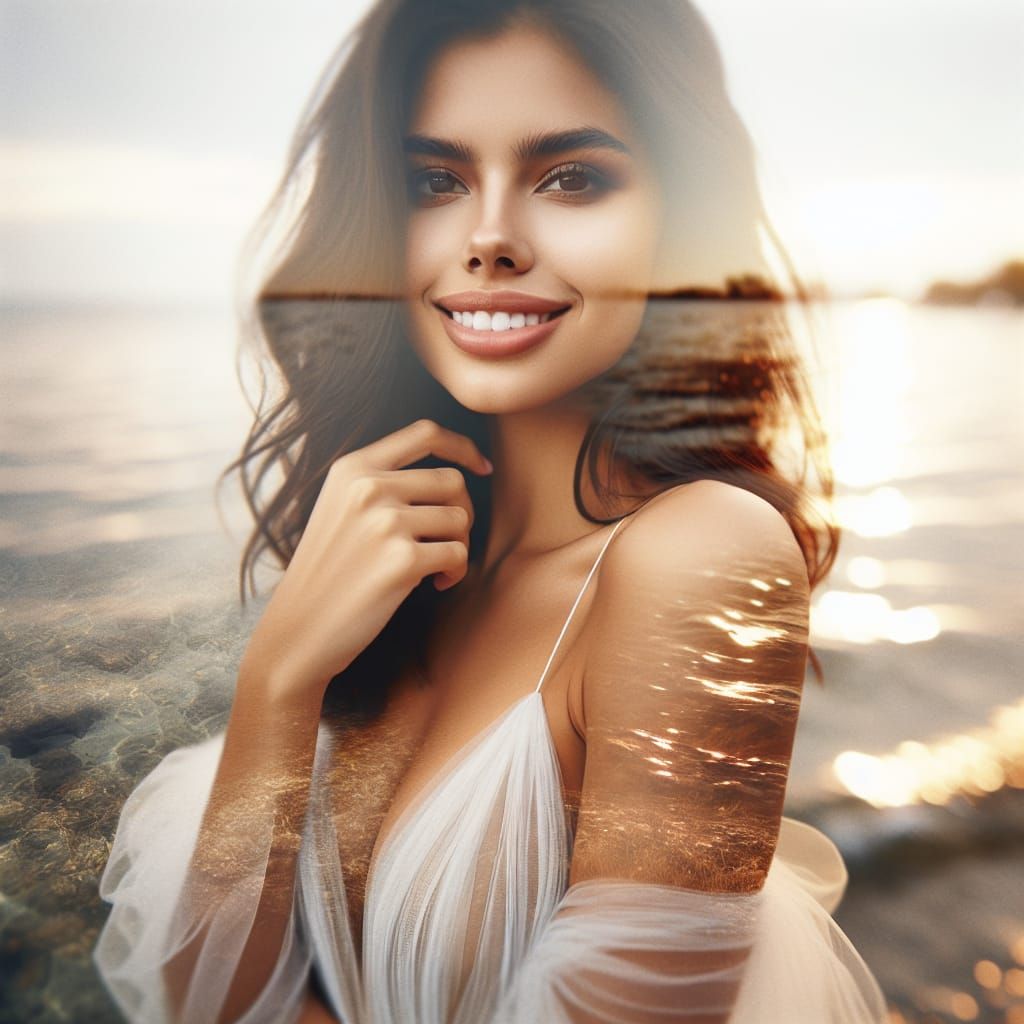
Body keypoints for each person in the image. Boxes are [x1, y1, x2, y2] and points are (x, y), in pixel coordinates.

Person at [93, 1, 889, 1021]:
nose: (491, 237)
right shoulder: (398, 561)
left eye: (572, 177)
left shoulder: (703, 556)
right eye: (437, 180)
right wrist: (280, 672)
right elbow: (201, 992)